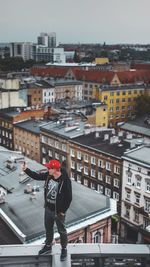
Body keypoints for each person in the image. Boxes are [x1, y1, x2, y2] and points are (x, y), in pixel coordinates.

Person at [22, 159, 72, 261]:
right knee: (48, 229)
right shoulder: (49, 175)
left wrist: (62, 211)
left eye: (49, 168)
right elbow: (37, 176)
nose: (47, 169)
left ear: (55, 169)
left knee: (62, 231)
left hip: (58, 212)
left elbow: (69, 198)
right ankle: (48, 245)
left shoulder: (65, 180)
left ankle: (64, 249)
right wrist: (26, 170)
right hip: (48, 208)